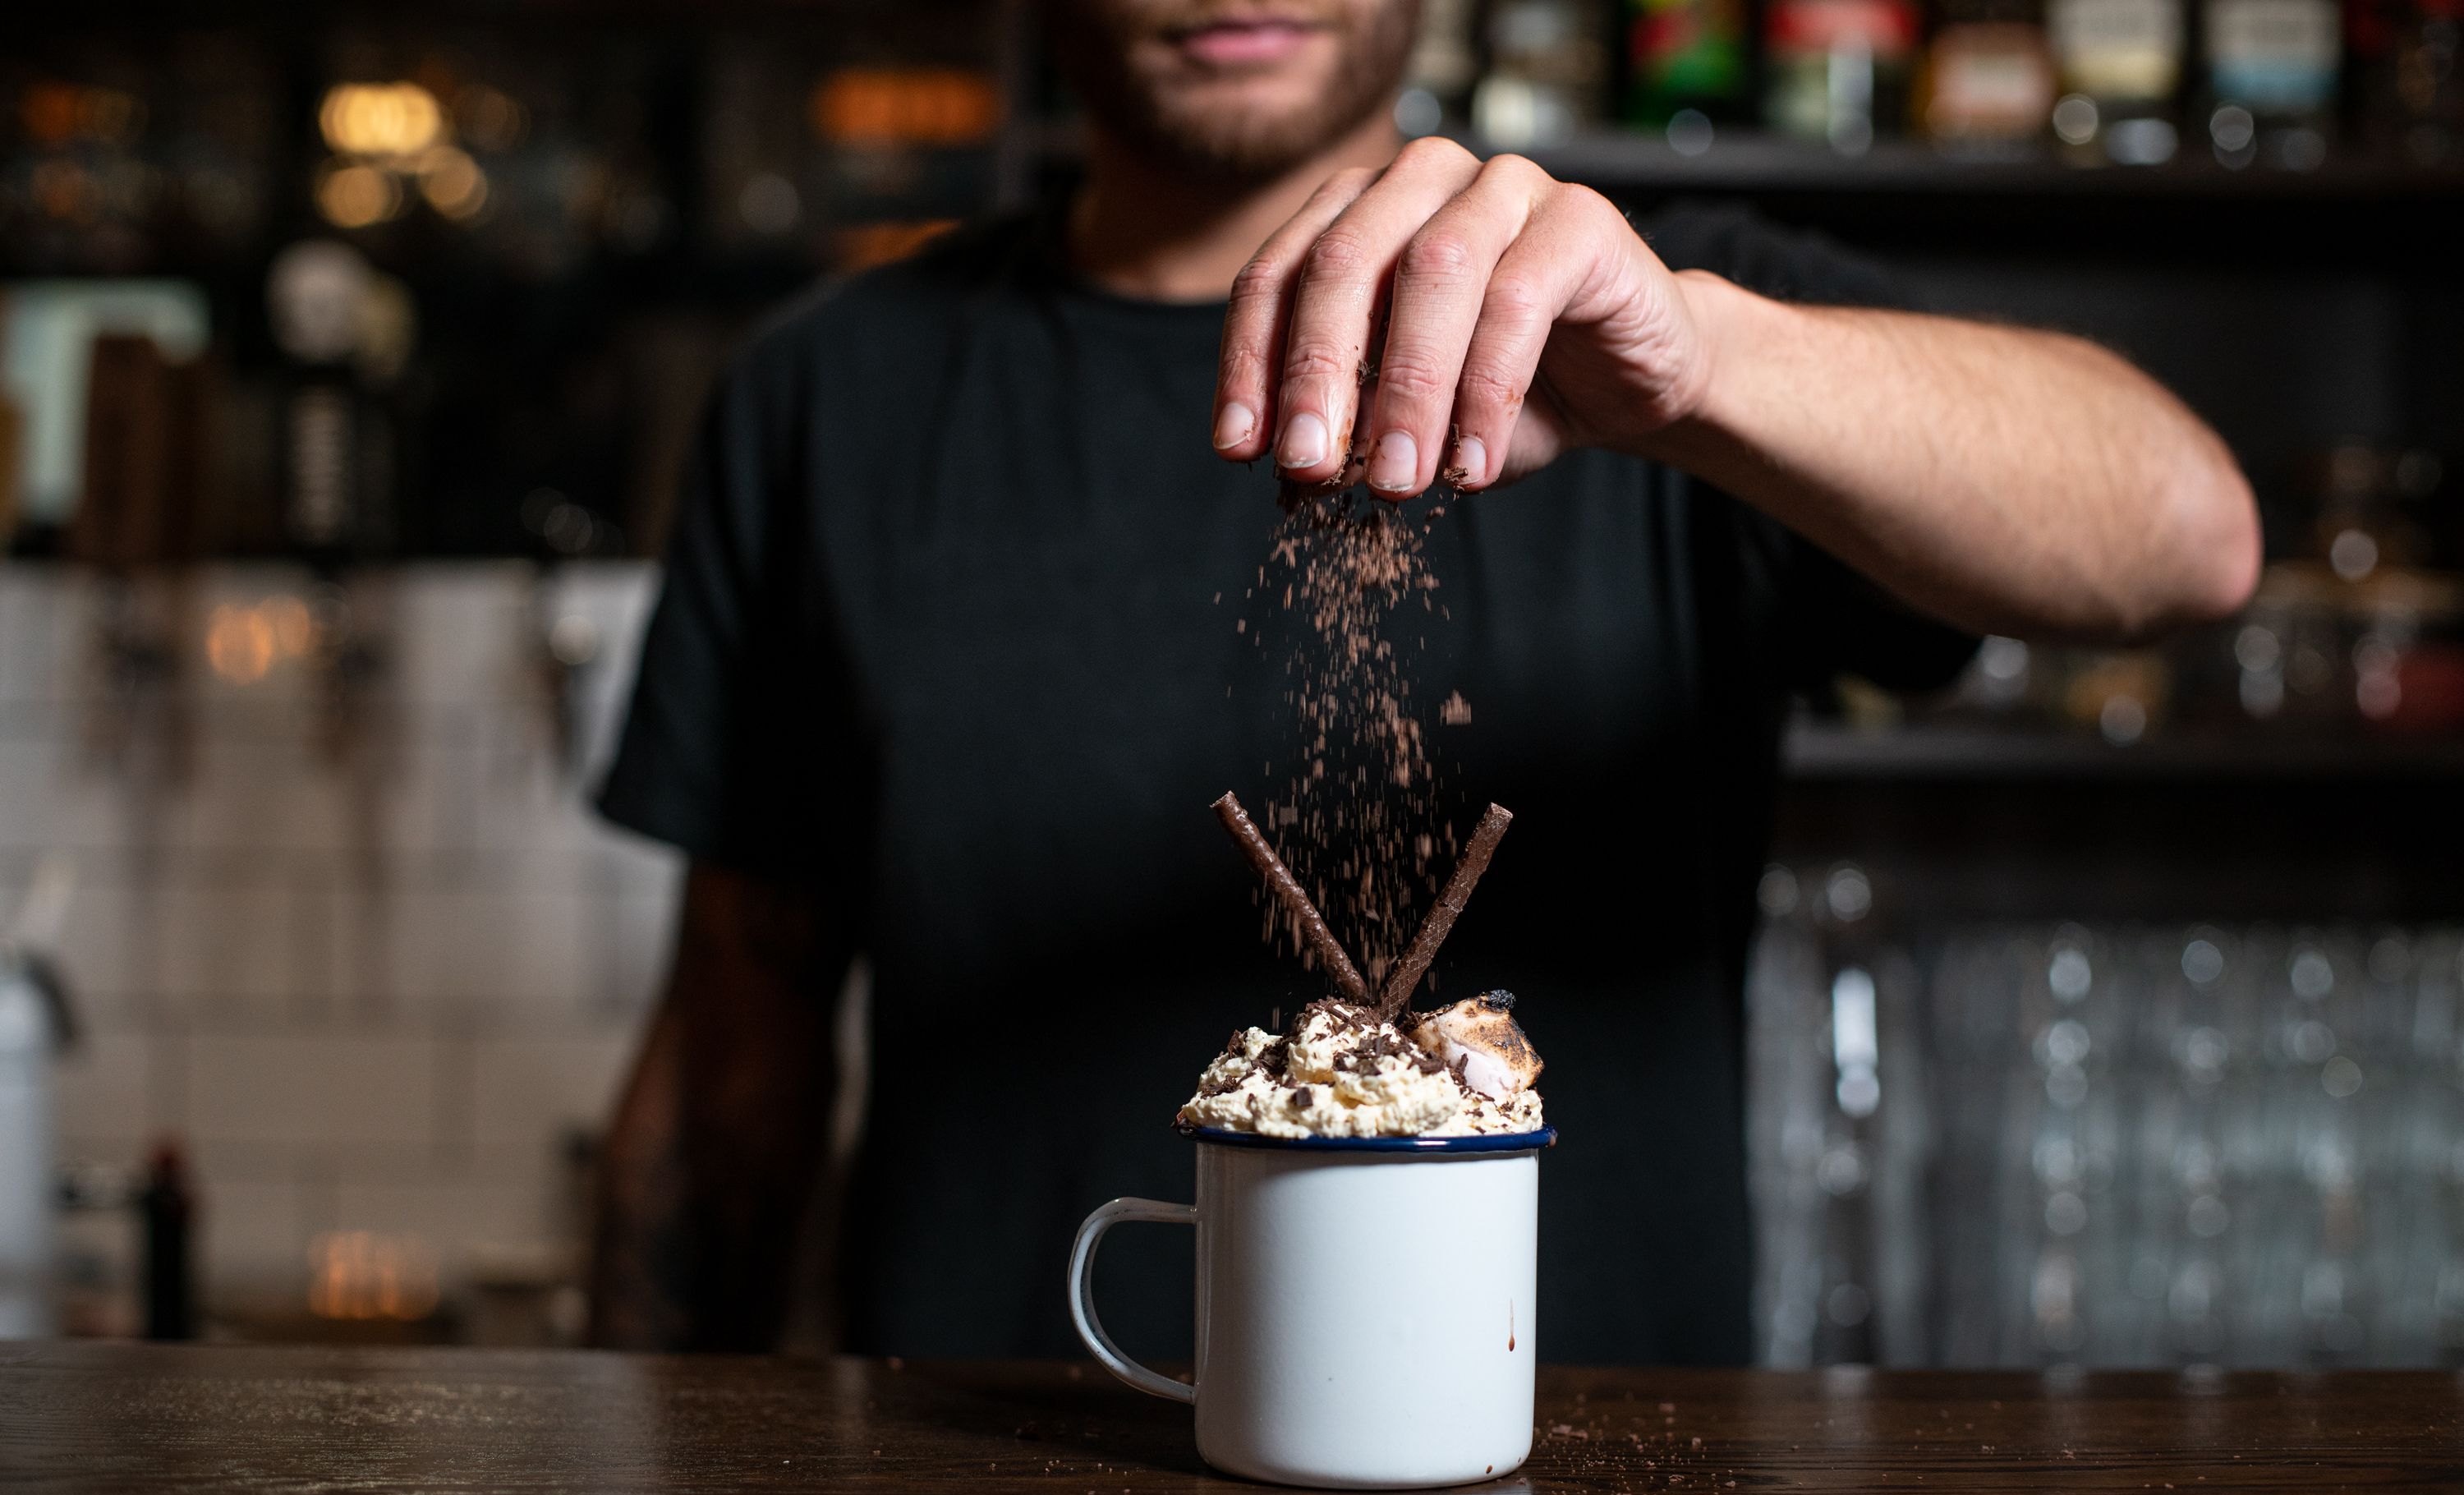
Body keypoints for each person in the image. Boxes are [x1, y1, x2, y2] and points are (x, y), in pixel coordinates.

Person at [586, 0, 2258, 1360]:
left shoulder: (1666, 328)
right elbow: (735, 1043)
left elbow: (2189, 536)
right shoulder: (828, 397)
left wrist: (1697, 367)